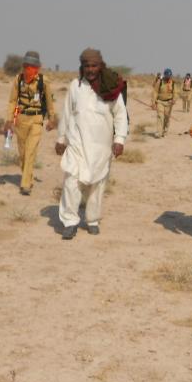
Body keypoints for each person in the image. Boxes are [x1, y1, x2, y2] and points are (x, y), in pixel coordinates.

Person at [55, 48, 129, 239]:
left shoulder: (110, 88)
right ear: (82, 67)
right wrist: (61, 138)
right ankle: (70, 221)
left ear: (100, 66)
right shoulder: (75, 86)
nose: (90, 69)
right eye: (87, 65)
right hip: (77, 145)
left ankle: (92, 220)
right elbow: (67, 113)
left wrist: (119, 140)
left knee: (97, 185)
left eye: (94, 65)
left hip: (101, 147)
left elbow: (120, 115)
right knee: (71, 183)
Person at [4, 51, 57, 195]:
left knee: (30, 151)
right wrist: (9, 120)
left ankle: (25, 184)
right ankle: (29, 177)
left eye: (32, 67)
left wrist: (52, 118)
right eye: (26, 66)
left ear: (37, 67)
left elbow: (49, 101)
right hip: (21, 119)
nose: (29, 69)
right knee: (22, 154)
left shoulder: (43, 81)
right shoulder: (18, 79)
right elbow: (12, 101)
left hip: (36, 120)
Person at [152, 68, 177, 137]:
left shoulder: (173, 83)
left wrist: (174, 100)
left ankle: (165, 131)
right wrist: (153, 102)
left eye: (169, 76)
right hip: (160, 101)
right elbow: (155, 92)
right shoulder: (160, 82)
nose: (168, 77)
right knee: (160, 116)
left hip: (169, 103)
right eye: (167, 76)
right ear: (164, 75)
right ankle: (159, 132)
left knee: (166, 118)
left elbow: (175, 93)